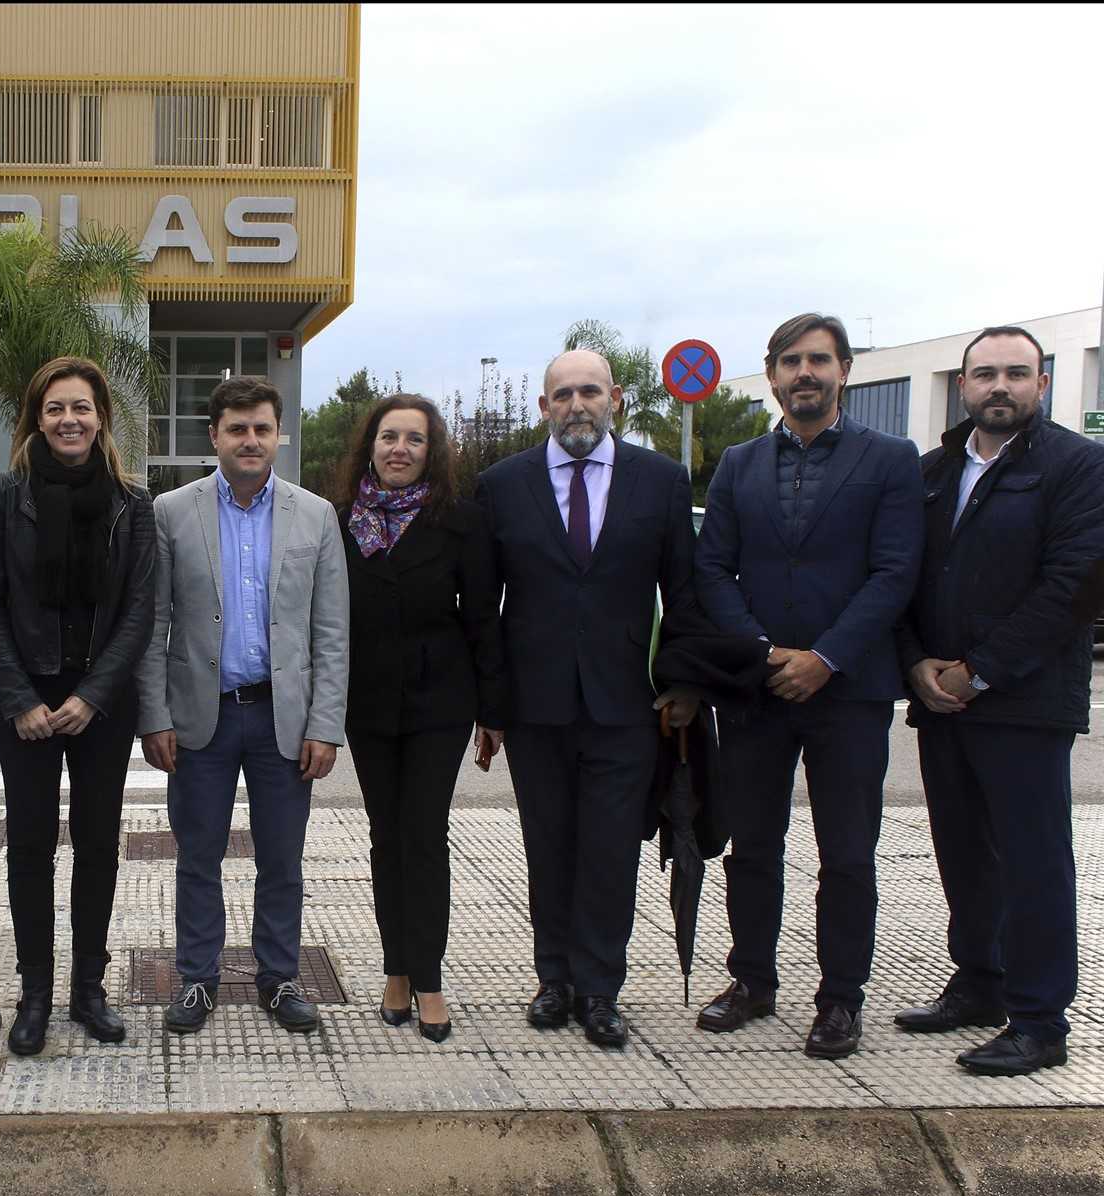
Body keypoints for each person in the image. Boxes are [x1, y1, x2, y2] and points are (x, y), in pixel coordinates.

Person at [693, 312, 923, 1059]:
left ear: (845, 370)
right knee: (752, 845)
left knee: (848, 854)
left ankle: (840, 1000)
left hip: (848, 692)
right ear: (772, 375)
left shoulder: (891, 460)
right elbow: (711, 569)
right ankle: (752, 981)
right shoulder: (738, 462)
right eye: (790, 361)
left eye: (819, 359)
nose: (805, 373)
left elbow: (895, 573)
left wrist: (825, 658)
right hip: (757, 693)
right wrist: (762, 654)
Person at [893, 325, 1104, 1076]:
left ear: (1042, 384)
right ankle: (979, 984)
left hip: (1024, 702)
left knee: (1033, 862)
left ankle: (1041, 1019)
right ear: (963, 387)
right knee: (963, 855)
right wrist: (916, 663)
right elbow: (903, 577)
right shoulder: (933, 470)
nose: (1000, 387)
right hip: (940, 703)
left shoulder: (1079, 468)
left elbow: (1075, 587)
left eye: (1018, 373)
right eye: (985, 374)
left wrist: (977, 671)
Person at [476, 350, 699, 1048]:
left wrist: (686, 683)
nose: (577, 404)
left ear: (616, 400)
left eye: (590, 392)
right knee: (548, 846)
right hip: (535, 705)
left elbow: (686, 593)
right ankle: (553, 980)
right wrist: (491, 706)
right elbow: (482, 607)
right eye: (563, 394)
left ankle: (600, 989)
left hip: (627, 704)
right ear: (543, 407)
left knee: (609, 851)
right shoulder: (502, 485)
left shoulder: (661, 482)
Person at [138, 375, 349, 1035]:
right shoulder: (171, 512)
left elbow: (330, 631)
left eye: (262, 427)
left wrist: (325, 723)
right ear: (215, 437)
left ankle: (279, 978)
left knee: (281, 858)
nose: (251, 440)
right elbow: (154, 624)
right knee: (197, 855)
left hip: (282, 720)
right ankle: (196, 979)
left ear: (278, 434)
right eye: (238, 429)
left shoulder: (315, 516)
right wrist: (155, 715)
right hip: (202, 716)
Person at [0, 357, 155, 1056]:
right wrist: (18, 697)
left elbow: (141, 612)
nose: (69, 420)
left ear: (101, 416)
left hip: (100, 703)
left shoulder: (131, 505)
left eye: (81, 407)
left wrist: (92, 695)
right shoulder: (2, 499)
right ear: (35, 418)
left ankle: (88, 990)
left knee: (99, 847)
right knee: (28, 848)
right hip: (26, 702)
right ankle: (36, 994)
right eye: (55, 409)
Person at [335, 393, 506, 1043]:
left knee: (424, 837)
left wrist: (493, 709)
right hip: (368, 704)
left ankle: (428, 977)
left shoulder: (462, 522)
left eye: (414, 439)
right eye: (388, 437)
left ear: (432, 451)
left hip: (440, 703)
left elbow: (484, 620)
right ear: (370, 446)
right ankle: (395, 972)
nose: (399, 449)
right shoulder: (341, 520)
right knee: (386, 838)